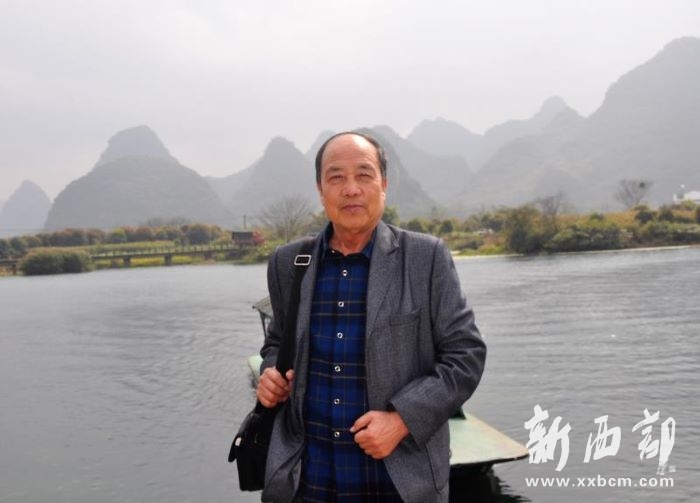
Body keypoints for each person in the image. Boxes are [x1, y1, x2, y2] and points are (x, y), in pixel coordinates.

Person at [256, 131, 486, 503]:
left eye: (364, 175)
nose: (351, 189)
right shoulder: (290, 263)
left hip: (396, 483)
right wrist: (271, 373)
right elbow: (277, 342)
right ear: (320, 190)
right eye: (336, 177)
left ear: (384, 185)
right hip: (306, 482)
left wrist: (402, 420)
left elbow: (466, 355)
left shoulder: (424, 258)